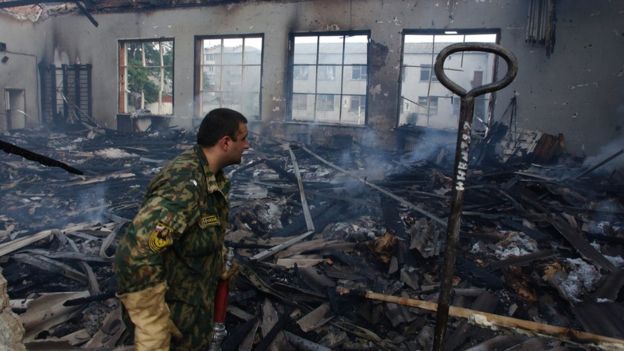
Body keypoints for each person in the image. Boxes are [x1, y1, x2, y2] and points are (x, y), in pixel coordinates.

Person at [114, 108, 250, 351]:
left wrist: (214, 262)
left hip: (193, 315)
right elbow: (136, 251)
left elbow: (192, 234)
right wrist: (151, 324)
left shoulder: (212, 179)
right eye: (244, 139)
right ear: (226, 142)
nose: (247, 146)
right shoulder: (185, 184)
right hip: (172, 320)